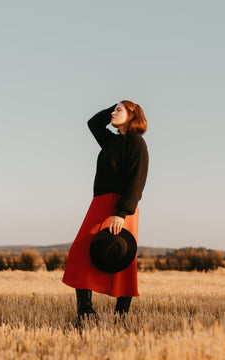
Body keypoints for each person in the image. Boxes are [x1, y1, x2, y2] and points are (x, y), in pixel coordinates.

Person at [62, 100, 149, 327]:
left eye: (118, 110)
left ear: (132, 115)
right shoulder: (111, 141)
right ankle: (85, 311)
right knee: (80, 251)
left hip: (121, 206)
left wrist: (122, 212)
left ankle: (120, 319)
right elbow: (93, 123)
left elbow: (136, 182)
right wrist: (117, 103)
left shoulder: (137, 143)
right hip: (99, 203)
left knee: (121, 258)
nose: (112, 112)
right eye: (114, 109)